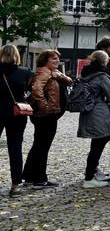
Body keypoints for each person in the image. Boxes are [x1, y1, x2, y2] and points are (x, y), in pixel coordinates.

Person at [24, 49, 72, 188]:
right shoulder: (44, 72)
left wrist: (59, 76)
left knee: (38, 145)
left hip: (46, 116)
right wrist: (46, 108)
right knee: (42, 147)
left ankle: (29, 176)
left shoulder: (51, 73)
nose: (57, 61)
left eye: (58, 58)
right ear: (45, 60)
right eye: (53, 59)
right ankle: (39, 179)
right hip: (46, 116)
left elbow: (69, 82)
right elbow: (36, 91)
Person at [75, 51, 110, 188]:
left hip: (87, 110)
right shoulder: (102, 76)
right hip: (99, 111)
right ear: (104, 62)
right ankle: (89, 177)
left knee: (96, 144)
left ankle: (91, 173)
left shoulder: (86, 73)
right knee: (99, 143)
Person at [1, 44, 32, 196]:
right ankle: (15, 184)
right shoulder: (25, 72)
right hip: (16, 113)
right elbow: (29, 91)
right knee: (15, 148)